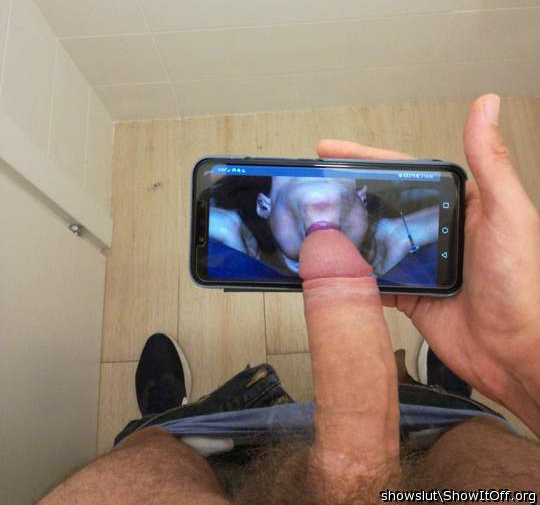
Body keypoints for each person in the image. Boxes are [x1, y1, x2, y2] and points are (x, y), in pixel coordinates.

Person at [40, 94, 540, 504]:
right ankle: (447, 403)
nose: (318, 209)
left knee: (143, 459)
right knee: (486, 452)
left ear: (362, 197)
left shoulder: (390, 239)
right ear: (262, 203)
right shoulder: (243, 239)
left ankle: (164, 422)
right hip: (437, 436)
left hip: (208, 437)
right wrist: (525, 358)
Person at [209, 174, 439, 281]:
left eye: (298, 263)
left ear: (263, 206)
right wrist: (400, 236)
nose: (323, 249)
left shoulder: (226, 178)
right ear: (363, 200)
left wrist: (230, 235)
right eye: (341, 255)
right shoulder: (402, 182)